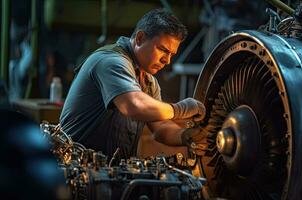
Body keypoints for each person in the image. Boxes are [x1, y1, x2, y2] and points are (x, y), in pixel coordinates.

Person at [60, 9, 207, 159]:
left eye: (171, 54)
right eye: (163, 50)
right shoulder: (111, 62)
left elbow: (160, 127)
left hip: (110, 172)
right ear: (140, 38)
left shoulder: (148, 81)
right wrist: (181, 109)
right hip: (76, 169)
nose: (167, 60)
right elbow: (134, 105)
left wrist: (185, 136)